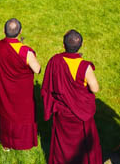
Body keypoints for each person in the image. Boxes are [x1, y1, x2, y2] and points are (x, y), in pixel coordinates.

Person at [42, 30, 102, 164]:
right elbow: (95, 88)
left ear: (63, 45)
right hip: (81, 114)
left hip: (62, 113)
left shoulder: (55, 61)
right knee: (83, 144)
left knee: (62, 143)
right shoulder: (85, 67)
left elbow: (47, 87)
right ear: (81, 45)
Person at [0, 18, 42, 151]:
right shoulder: (25, 52)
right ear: (20, 32)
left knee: (6, 114)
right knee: (22, 116)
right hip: (22, 94)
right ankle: (23, 143)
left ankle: (6, 144)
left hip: (4, 89)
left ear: (4, 31)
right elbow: (37, 69)